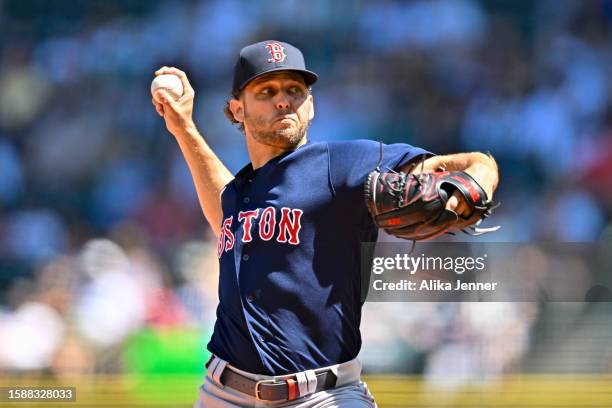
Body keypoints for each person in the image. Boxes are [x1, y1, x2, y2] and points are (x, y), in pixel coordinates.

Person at [152, 40, 499, 407]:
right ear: (237, 110)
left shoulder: (342, 164)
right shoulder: (240, 193)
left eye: (295, 90)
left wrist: (478, 181)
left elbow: (472, 164)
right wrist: (183, 127)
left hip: (322, 396)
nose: (283, 100)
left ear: (311, 105)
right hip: (223, 393)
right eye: (266, 91)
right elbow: (224, 215)